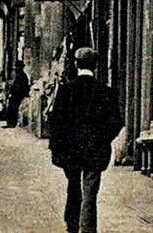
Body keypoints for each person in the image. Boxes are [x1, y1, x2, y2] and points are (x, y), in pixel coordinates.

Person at [48, 47, 124, 233]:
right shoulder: (106, 91)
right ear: (95, 66)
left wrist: (58, 146)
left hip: (70, 149)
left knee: (73, 186)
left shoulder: (66, 90)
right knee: (90, 190)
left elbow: (56, 122)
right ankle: (88, 228)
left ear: (76, 64)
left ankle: (72, 224)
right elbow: (116, 122)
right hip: (95, 150)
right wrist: (102, 140)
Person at [6, 61, 31, 129]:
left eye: (18, 67)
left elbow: (20, 87)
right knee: (12, 108)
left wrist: (14, 93)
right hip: (16, 95)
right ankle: (11, 122)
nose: (16, 69)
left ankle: (12, 123)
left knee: (14, 108)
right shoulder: (19, 75)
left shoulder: (22, 76)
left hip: (18, 95)